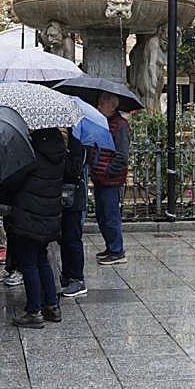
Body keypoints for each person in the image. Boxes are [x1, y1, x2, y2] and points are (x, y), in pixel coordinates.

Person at [6, 128, 70, 328]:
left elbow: (12, 182)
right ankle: (52, 305)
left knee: (29, 263)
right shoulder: (59, 154)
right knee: (42, 259)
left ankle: (34, 311)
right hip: (49, 217)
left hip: (28, 217)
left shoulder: (31, 155)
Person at [90, 91, 130, 265]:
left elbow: (122, 156)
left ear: (112, 106)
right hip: (100, 177)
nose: (98, 106)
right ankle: (110, 246)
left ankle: (117, 251)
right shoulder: (103, 123)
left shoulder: (120, 126)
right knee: (102, 215)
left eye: (101, 103)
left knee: (110, 215)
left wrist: (106, 170)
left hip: (111, 180)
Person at [59, 134, 90, 298]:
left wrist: (61, 156)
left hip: (74, 197)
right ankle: (67, 274)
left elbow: (73, 169)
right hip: (64, 197)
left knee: (72, 237)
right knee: (65, 237)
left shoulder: (77, 141)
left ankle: (77, 278)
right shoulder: (69, 139)